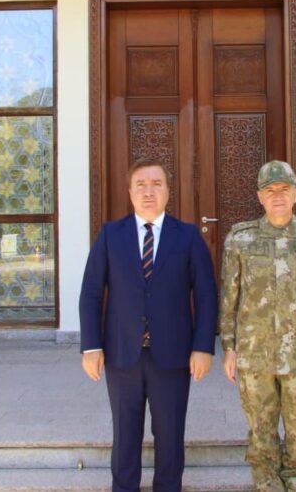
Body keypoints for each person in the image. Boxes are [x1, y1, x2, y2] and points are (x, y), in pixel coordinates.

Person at [79, 158, 218, 492]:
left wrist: (203, 347)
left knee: (170, 435)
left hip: (172, 356)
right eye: (140, 185)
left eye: (157, 184)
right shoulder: (111, 235)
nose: (148, 192)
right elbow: (91, 292)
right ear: (130, 192)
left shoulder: (187, 237)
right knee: (124, 435)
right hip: (122, 354)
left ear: (168, 192)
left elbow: (206, 295)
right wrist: (91, 346)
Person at [219, 160, 296, 491]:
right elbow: (229, 298)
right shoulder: (240, 240)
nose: (277, 196)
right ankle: (266, 481)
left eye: (284, 190)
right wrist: (229, 347)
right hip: (254, 354)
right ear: (260, 197)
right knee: (261, 427)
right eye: (270, 190)